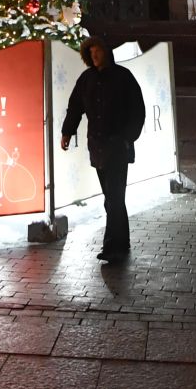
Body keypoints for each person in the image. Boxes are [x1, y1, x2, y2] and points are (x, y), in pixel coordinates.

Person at [60, 37, 145, 264]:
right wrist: (67, 132)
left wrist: (127, 138)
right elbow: (75, 106)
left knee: (115, 196)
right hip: (97, 147)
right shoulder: (86, 79)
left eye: (98, 50)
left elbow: (137, 110)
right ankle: (122, 240)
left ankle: (112, 247)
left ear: (106, 51)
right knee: (112, 197)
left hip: (117, 146)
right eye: (91, 51)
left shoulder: (123, 77)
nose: (95, 55)